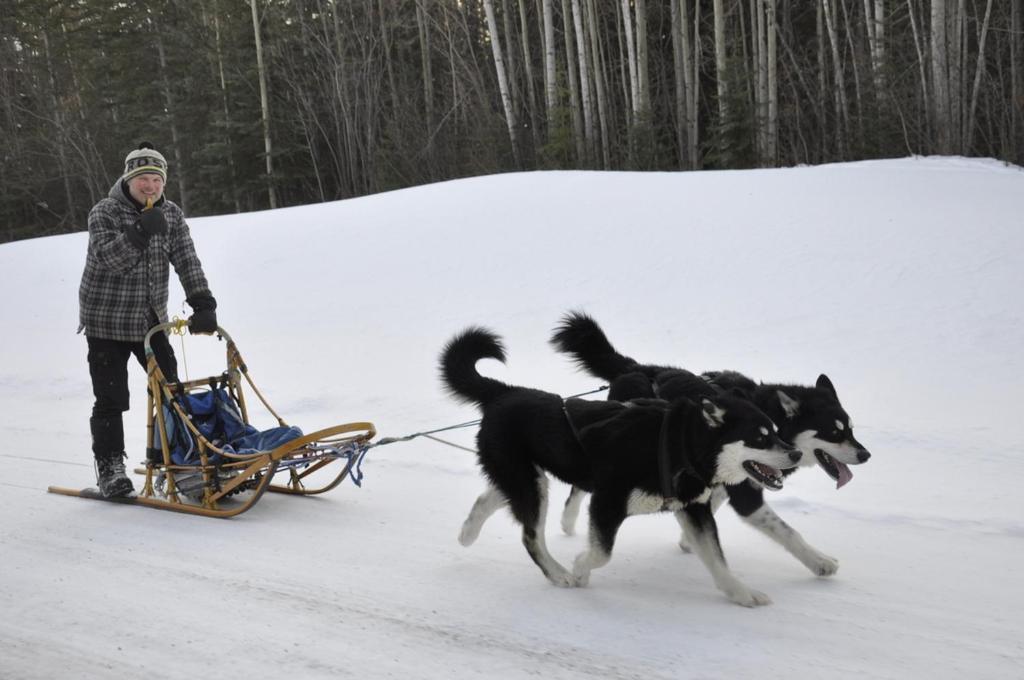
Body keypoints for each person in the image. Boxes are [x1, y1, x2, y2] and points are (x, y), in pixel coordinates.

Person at [78, 142, 218, 497]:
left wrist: (202, 302)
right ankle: (111, 468)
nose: (151, 186)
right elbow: (110, 259)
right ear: (129, 180)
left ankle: (173, 464)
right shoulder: (104, 212)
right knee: (111, 399)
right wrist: (139, 232)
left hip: (149, 320)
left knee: (170, 392)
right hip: (106, 321)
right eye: (143, 178)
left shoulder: (170, 214)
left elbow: (186, 258)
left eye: (156, 178)